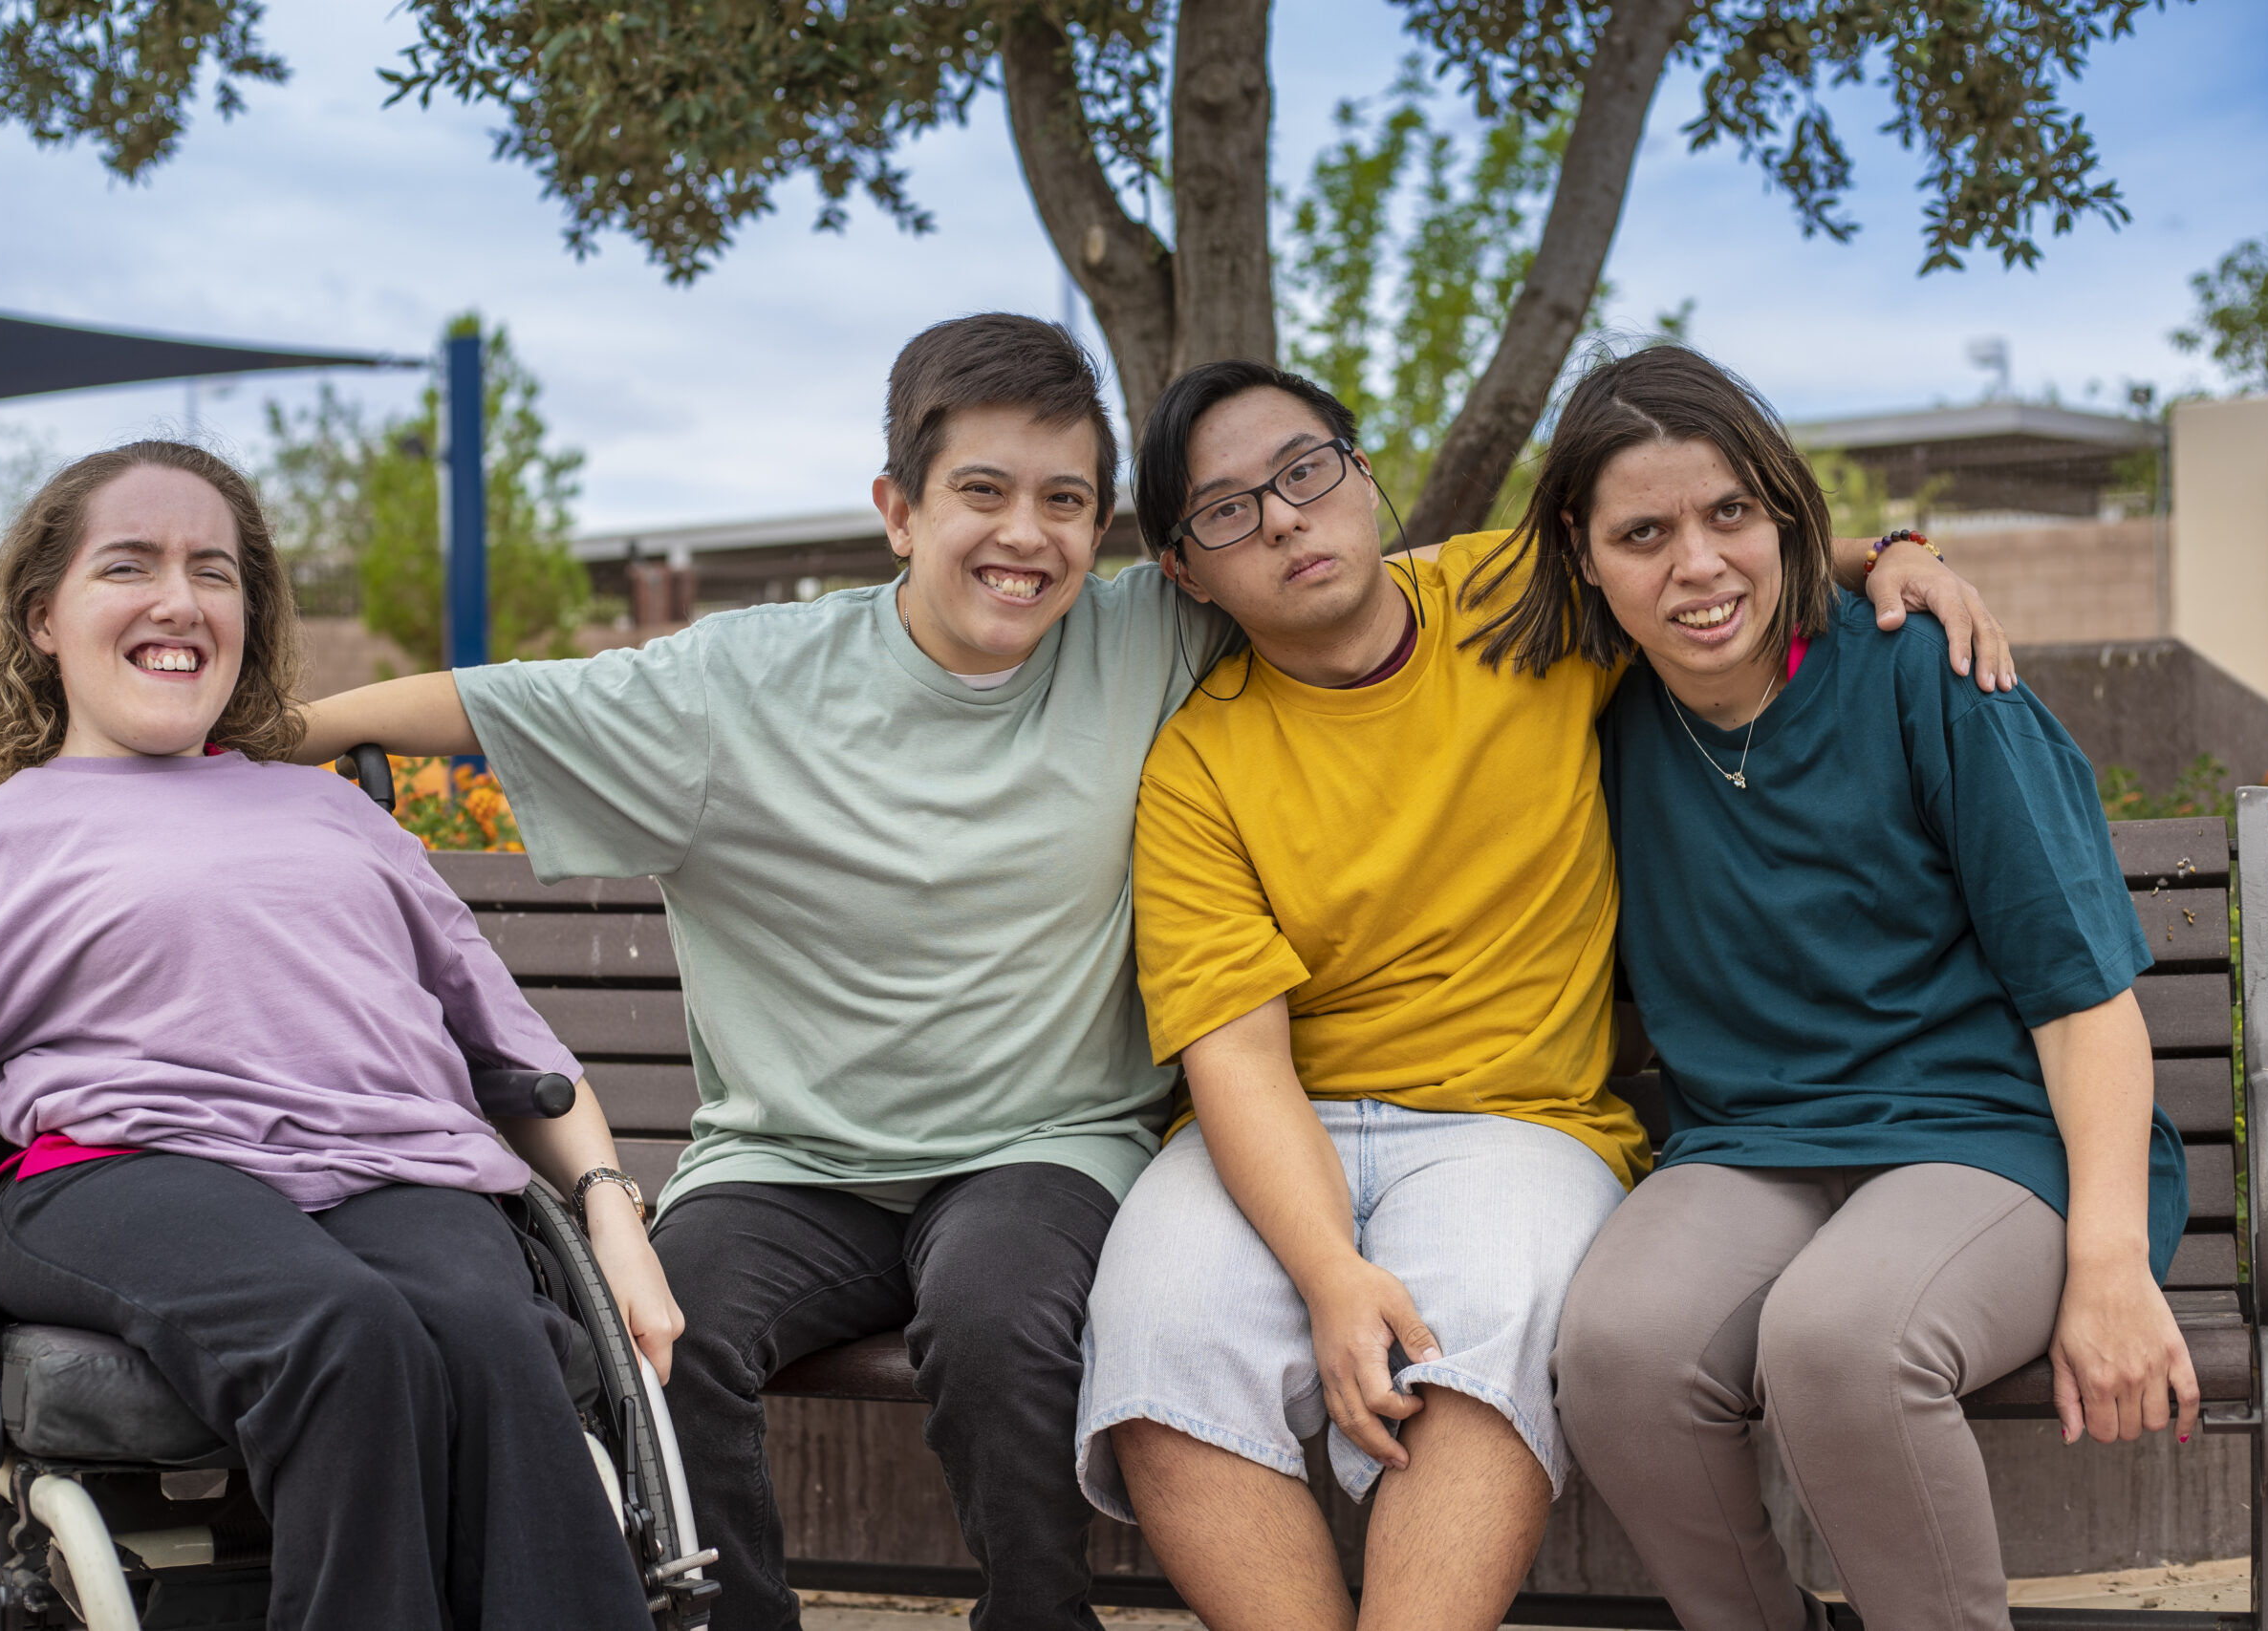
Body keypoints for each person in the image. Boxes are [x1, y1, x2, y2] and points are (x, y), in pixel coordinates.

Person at [292, 316, 2006, 1631]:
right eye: (980, 493)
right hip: (874, 1156)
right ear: (901, 508)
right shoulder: (894, 697)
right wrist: (266, 734)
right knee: (780, 1327)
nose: (1023, 537)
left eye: (1062, 501)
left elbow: (1686, 547)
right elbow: (507, 701)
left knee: (1137, 1309)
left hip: (1249, 1134)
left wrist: (1889, 554)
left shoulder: (1388, 608)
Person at [1072, 357, 2015, 1631]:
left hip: (1515, 1121)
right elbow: (1238, 1059)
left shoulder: (1513, 600)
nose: (1285, 517)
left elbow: (1701, 545)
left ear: (1360, 473)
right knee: (1155, 1335)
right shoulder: (1197, 761)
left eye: (1303, 472)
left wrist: (1894, 550)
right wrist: (1331, 1273)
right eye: (1228, 509)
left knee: (1495, 1328)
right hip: (1283, 1122)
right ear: (1184, 569)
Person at [0, 442, 674, 1630]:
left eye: (212, 572)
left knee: (495, 1338)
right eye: (129, 565)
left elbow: (522, 1061)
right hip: (124, 1175)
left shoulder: (337, 816)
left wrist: (608, 1213)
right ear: (42, 619)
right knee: (342, 1333)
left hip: (394, 1168)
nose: (179, 600)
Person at [1539, 345, 2192, 1631]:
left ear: (1784, 507)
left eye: (1732, 511)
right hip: (1756, 1147)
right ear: (1583, 551)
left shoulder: (1927, 671)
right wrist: (1886, 540)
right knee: (1615, 1353)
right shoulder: (1589, 708)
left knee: (1840, 1340)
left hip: (1994, 1141)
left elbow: (2083, 999)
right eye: (1645, 531)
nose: (1700, 562)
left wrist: (2111, 1257)